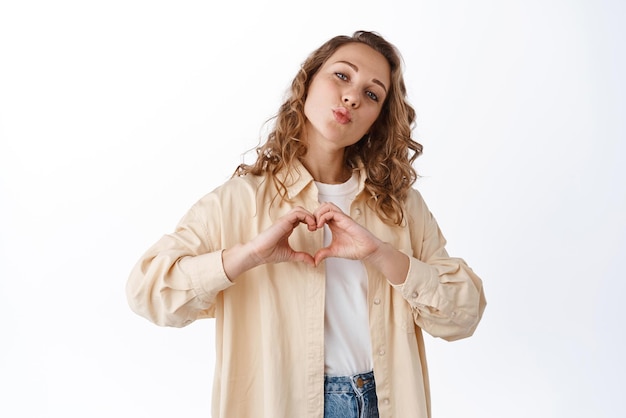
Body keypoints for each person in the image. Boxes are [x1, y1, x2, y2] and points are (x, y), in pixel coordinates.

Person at [126, 30, 486, 418]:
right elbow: (147, 293)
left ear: (378, 119)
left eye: (372, 94)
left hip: (386, 400)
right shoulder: (239, 200)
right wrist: (249, 255)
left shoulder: (400, 207)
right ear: (308, 81)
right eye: (342, 76)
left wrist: (382, 255)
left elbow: (462, 315)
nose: (351, 97)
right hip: (285, 404)